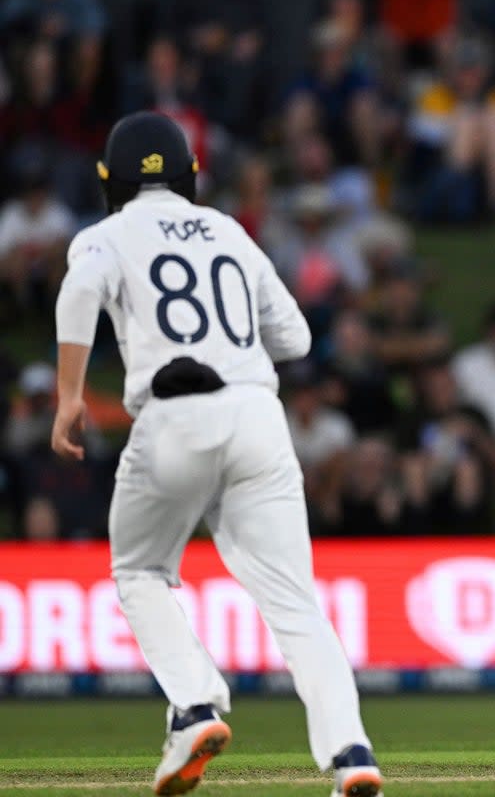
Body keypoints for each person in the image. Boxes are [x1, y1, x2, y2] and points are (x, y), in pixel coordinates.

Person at [49, 112, 382, 796]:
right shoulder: (229, 231)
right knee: (295, 604)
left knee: (141, 570)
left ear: (109, 180)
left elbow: (80, 291)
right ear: (189, 175)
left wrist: (70, 397)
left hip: (173, 415)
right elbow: (295, 337)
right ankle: (352, 754)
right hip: (257, 415)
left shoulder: (105, 235)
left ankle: (195, 705)